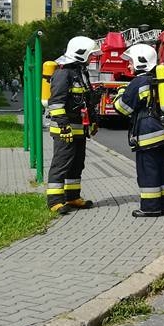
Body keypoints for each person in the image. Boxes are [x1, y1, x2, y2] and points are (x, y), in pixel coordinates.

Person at [113, 43, 164, 218]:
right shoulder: (159, 77)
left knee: (148, 172)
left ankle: (150, 208)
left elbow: (122, 108)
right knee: (163, 169)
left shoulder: (137, 82)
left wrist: (120, 92)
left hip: (148, 134)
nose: (128, 65)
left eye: (131, 62)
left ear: (141, 62)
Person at [45, 36, 101, 214]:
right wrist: (63, 126)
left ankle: (72, 197)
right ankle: (54, 201)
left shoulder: (80, 72)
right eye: (90, 55)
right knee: (61, 164)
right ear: (81, 53)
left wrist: (94, 121)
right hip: (65, 128)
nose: (92, 58)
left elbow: (85, 101)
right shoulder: (63, 73)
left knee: (77, 164)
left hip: (79, 128)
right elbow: (56, 103)